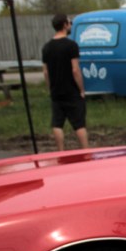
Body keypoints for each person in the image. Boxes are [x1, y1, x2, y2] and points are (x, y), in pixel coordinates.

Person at [42, 13, 88, 151]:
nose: (71, 24)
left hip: (56, 91)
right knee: (79, 124)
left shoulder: (47, 47)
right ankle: (86, 152)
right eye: (70, 22)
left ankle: (61, 151)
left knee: (57, 124)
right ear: (64, 25)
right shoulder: (71, 45)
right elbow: (75, 70)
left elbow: (45, 72)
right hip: (71, 91)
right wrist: (81, 89)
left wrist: (50, 88)